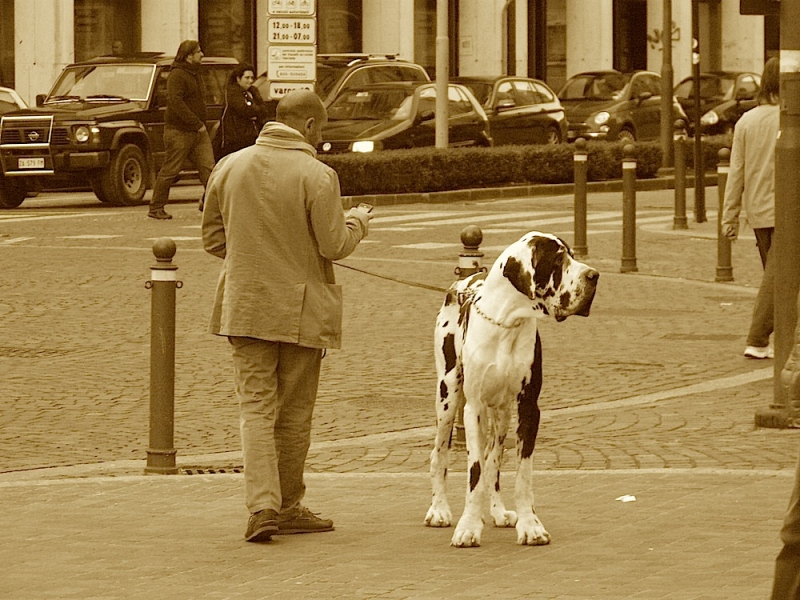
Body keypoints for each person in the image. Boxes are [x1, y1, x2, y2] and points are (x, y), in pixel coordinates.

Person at [201, 89, 372, 543]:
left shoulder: (228, 166)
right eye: (324, 126)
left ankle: (262, 507)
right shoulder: (317, 175)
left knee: (255, 409)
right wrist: (358, 220)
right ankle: (290, 504)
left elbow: (214, 241)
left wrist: (251, 256)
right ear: (310, 126)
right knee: (294, 414)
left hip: (245, 305)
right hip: (301, 310)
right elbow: (334, 245)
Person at [721, 57, 780, 359]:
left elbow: (737, 173)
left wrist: (729, 217)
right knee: (779, 278)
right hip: (788, 211)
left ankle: (779, 341)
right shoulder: (791, 119)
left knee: (778, 277)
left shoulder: (746, 122)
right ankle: (758, 339)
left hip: (758, 212)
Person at [147, 40, 215, 220]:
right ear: (188, 55)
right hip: (179, 131)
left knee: (209, 169)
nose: (202, 54)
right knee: (171, 170)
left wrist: (200, 124)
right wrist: (196, 123)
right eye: (198, 51)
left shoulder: (195, 73)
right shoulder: (177, 74)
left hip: (198, 132)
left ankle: (212, 205)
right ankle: (156, 207)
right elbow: (176, 103)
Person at [215, 64, 271, 160]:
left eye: (252, 78)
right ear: (238, 78)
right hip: (236, 137)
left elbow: (264, 110)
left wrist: (256, 113)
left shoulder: (253, 91)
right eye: (247, 78)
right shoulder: (232, 92)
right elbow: (244, 110)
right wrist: (255, 111)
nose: (250, 81)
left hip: (252, 135)